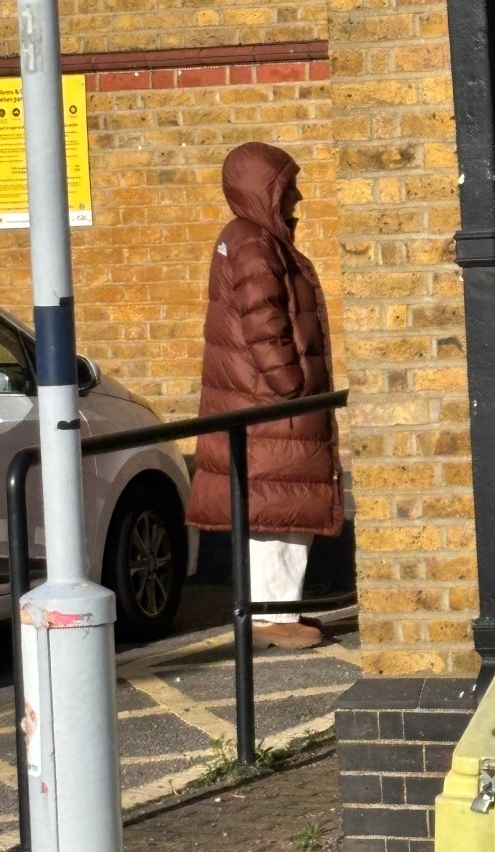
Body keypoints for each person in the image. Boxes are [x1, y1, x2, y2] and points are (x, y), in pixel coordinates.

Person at [186, 141, 344, 649]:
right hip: (270, 408)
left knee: (280, 510)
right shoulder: (254, 241)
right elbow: (264, 322)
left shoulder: (251, 238)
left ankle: (279, 613)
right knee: (277, 512)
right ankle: (270, 620)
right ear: (264, 190)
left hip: (259, 405)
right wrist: (292, 390)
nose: (297, 196)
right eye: (287, 186)